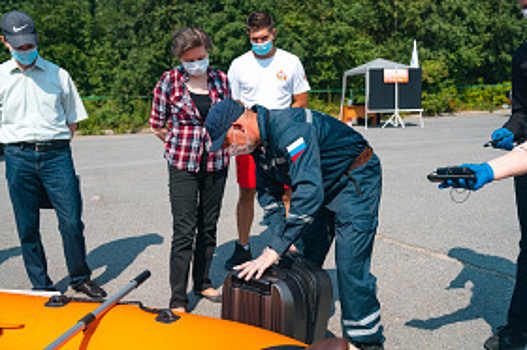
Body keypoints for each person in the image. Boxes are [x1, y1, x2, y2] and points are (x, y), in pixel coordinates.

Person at [205, 100, 385, 350]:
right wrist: (283, 242)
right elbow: (269, 197)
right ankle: (303, 333)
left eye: (227, 142)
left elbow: (308, 192)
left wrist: (273, 249)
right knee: (301, 260)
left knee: (350, 268)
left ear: (239, 126)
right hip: (322, 183)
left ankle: (365, 342)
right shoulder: (259, 146)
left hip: (353, 180)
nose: (229, 150)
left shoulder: (291, 129)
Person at [0, 10, 106, 298]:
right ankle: (41, 286)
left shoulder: (59, 74)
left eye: (30, 46)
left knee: (71, 221)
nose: (26, 51)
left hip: (57, 156)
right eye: (19, 47)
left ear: (37, 41)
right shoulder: (0, 78)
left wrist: (51, 145)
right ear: (4, 42)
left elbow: (71, 121)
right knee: (27, 226)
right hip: (17, 157)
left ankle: (80, 277)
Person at [149, 28, 230, 313]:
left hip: (216, 161)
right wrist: (178, 142)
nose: (196, 63)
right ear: (180, 59)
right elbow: (157, 123)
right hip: (183, 162)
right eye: (190, 60)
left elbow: (230, 117)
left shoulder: (221, 80)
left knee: (208, 225)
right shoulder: (169, 81)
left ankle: (203, 281)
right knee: (184, 230)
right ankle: (178, 297)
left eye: (201, 57)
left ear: (208, 52)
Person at [224, 11, 311, 270]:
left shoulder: (291, 61)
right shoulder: (239, 65)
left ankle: (289, 247)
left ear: (273, 33)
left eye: (264, 37)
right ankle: (242, 247)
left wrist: (288, 131)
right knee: (247, 191)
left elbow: (301, 102)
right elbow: (234, 105)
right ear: (248, 36)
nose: (259, 42)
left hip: (283, 137)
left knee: (287, 192)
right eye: (254, 38)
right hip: (250, 137)